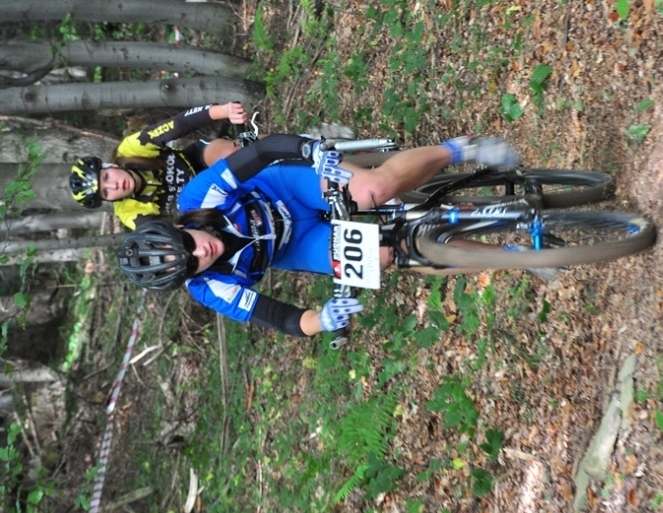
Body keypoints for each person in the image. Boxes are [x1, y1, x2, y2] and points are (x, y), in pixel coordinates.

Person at [117, 135, 520, 337]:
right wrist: (322, 320)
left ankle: (458, 149)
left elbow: (259, 153)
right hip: (295, 244)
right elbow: (281, 318)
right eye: (192, 265)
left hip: (284, 188)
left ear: (178, 227)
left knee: (372, 189)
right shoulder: (209, 288)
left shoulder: (197, 197)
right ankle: (511, 255)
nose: (200, 253)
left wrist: (308, 149)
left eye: (187, 245)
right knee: (388, 255)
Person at [69, 102, 249, 230]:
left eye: (106, 177)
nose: (114, 186)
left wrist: (224, 110)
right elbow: (157, 230)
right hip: (201, 205)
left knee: (232, 154)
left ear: (110, 166)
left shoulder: (130, 149)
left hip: (195, 161)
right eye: (106, 192)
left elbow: (178, 124)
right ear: (109, 200)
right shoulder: (129, 212)